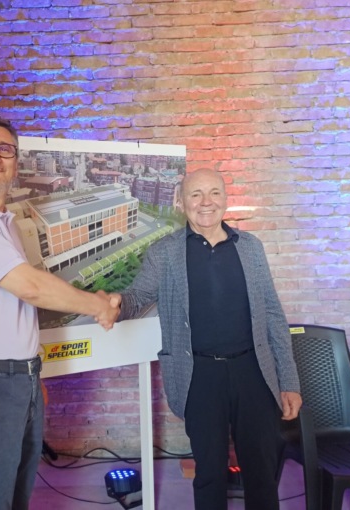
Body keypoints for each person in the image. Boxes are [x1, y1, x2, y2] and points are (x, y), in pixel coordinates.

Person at [0, 115, 119, 510]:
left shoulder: (6, 223)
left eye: (5, 149)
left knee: (14, 500)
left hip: (15, 382)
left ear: (15, 162)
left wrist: (29, 373)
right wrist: (99, 305)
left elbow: (13, 306)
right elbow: (30, 287)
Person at [110, 168, 302, 510]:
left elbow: (273, 315)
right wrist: (113, 304)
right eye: (196, 194)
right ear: (181, 202)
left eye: (214, 193)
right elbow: (138, 297)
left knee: (262, 471)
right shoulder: (165, 252)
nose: (206, 202)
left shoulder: (250, 247)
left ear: (225, 199)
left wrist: (288, 381)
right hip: (198, 375)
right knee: (209, 473)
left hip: (254, 371)